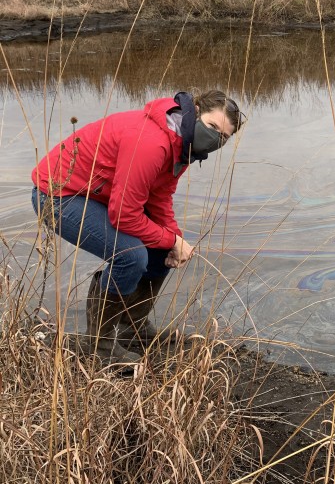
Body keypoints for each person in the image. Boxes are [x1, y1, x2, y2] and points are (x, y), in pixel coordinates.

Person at [32, 90, 244, 365]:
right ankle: (100, 346)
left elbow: (160, 196)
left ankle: (133, 330)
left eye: (223, 137)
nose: (215, 138)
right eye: (213, 126)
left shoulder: (182, 142)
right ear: (196, 109)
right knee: (130, 256)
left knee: (160, 252)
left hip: (96, 195)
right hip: (58, 196)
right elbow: (122, 215)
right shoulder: (153, 142)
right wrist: (171, 239)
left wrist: (174, 238)